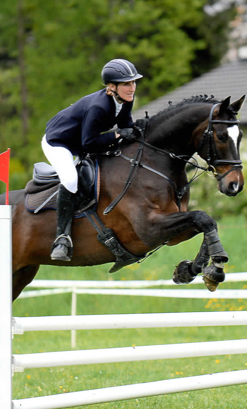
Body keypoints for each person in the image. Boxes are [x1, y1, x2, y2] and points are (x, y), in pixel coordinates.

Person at [41, 58, 143, 261]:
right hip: (59, 142)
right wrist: (117, 135)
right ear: (112, 87)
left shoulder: (124, 101)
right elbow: (89, 143)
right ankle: (62, 238)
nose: (132, 88)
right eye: (126, 84)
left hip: (79, 141)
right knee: (70, 179)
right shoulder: (99, 107)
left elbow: (126, 125)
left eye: (133, 82)